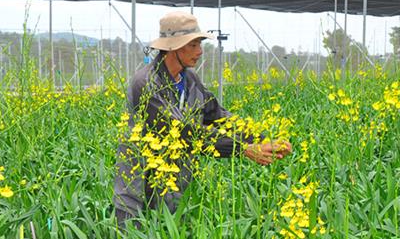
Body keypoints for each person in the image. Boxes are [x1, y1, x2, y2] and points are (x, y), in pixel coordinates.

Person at [114, 11, 291, 225]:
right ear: (172, 47)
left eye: (199, 44)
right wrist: (242, 148)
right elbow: (182, 133)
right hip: (141, 182)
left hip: (175, 183)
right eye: (192, 45)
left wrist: (261, 139)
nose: (199, 51)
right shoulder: (146, 82)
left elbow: (217, 115)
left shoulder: (189, 80)